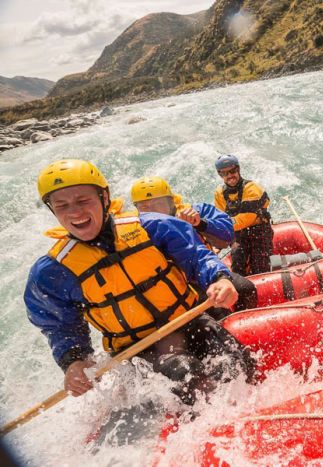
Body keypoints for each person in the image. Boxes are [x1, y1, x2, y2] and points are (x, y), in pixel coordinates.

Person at [25, 160, 255, 404]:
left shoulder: (152, 226)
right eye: (62, 206)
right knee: (183, 372)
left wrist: (219, 278)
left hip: (190, 321)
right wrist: (73, 360)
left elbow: (196, 256)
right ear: (52, 210)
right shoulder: (53, 271)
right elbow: (60, 325)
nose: (74, 212)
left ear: (104, 198)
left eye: (83, 201)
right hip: (138, 350)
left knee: (237, 363)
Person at [130, 176, 258, 313]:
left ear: (171, 202)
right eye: (144, 206)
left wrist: (201, 223)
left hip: (206, 271)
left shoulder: (196, 211)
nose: (152, 211)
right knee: (217, 312)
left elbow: (228, 233)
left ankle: (243, 320)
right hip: (174, 285)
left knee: (246, 288)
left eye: (157, 204)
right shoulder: (136, 231)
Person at [214, 155, 274, 276]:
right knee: (238, 266)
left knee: (260, 267)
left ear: (238, 169)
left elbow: (245, 219)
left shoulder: (252, 188)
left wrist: (224, 227)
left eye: (232, 171)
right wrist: (218, 241)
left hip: (259, 232)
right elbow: (220, 218)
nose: (230, 176)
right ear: (220, 175)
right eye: (225, 173)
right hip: (239, 234)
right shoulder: (219, 193)